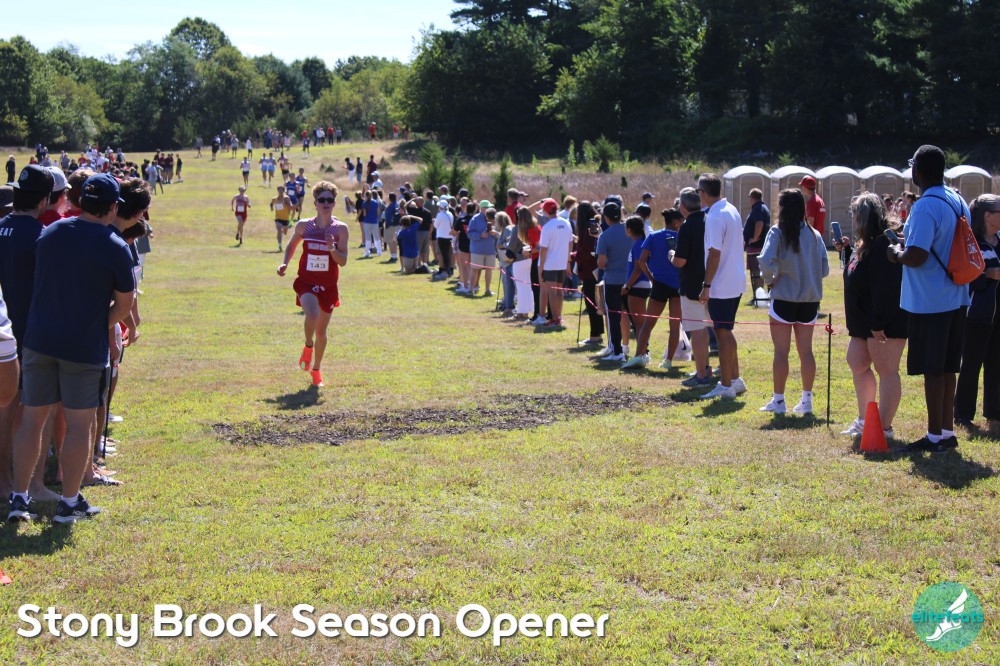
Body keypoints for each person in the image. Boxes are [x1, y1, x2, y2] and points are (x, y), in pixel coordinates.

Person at [8, 174, 135, 523]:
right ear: (113, 207)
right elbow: (124, 305)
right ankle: (68, 502)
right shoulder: (115, 245)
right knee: (79, 425)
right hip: (82, 346)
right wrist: (98, 323)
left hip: (39, 340)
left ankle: (19, 498)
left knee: (32, 420)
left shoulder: (50, 232)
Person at [889, 145, 973, 452]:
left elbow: (917, 255)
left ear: (917, 171)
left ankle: (935, 436)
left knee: (933, 369)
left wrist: (896, 254)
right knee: (949, 367)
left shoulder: (925, 205)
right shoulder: (956, 199)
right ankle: (946, 432)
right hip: (957, 294)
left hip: (930, 299)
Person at [838, 192, 907, 438]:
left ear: (865, 217)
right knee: (857, 362)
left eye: (856, 215)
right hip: (863, 321)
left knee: (887, 369)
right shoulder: (865, 243)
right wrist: (847, 251)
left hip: (884, 321)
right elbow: (859, 273)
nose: (853, 220)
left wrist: (879, 322)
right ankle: (865, 419)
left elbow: (886, 287)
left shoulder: (883, 244)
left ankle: (884, 428)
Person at [757, 189, 829, 415]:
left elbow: (765, 261)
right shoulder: (815, 235)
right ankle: (806, 401)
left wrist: (770, 280)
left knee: (781, 351)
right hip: (809, 301)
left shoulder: (777, 232)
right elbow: (825, 269)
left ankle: (779, 401)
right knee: (806, 352)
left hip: (784, 298)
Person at [276, 181, 349, 388]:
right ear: (315, 203)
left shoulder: (340, 229)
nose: (326, 203)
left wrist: (332, 248)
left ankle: (316, 370)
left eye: (329, 200)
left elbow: (343, 261)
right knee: (312, 315)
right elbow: (292, 244)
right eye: (321, 200)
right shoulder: (304, 226)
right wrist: (285, 263)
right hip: (306, 281)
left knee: (322, 333)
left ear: (334, 203)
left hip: (329, 285)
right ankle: (308, 346)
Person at [697, 174, 748, 399]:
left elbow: (714, 254)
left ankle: (726, 384)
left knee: (722, 333)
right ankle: (735, 380)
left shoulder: (715, 216)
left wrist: (706, 285)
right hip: (734, 280)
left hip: (722, 283)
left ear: (703, 193)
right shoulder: (731, 209)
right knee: (725, 330)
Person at [954, 194, 1000, 431]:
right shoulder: (972, 244)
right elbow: (963, 276)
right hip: (978, 316)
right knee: (971, 365)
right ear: (988, 216)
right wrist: (986, 276)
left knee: (996, 364)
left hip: (998, 316)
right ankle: (962, 414)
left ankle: (995, 413)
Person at [626, 209, 683, 369]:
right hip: (678, 285)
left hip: (659, 284)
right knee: (674, 325)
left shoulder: (653, 236)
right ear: (676, 222)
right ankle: (668, 361)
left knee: (648, 324)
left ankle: (639, 355)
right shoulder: (682, 237)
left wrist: (651, 278)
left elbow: (641, 261)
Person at [594, 200, 633, 361]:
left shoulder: (605, 236)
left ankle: (616, 351)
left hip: (613, 280)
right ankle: (642, 351)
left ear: (606, 217)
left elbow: (601, 263)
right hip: (631, 279)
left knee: (613, 317)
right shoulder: (630, 231)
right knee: (633, 316)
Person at [535, 201, 574, 327]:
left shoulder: (547, 227)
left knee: (552, 292)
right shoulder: (566, 223)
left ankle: (555, 318)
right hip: (561, 263)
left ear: (546, 211)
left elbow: (543, 249)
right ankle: (558, 317)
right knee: (559, 291)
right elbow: (570, 243)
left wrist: (540, 268)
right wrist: (568, 261)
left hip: (550, 264)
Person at [743, 188, 769, 300]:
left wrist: (754, 238)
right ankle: (758, 296)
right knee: (758, 272)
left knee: (757, 272)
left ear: (752, 197)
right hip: (759, 246)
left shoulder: (758, 208)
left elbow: (759, 223)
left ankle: (758, 297)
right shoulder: (762, 207)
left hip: (757, 247)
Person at [468, 201, 498, 296]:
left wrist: (495, 233)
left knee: (489, 270)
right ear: (482, 208)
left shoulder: (495, 218)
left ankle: (487, 290)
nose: (489, 209)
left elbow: (499, 233)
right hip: (477, 250)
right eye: (487, 207)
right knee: (475, 269)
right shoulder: (475, 219)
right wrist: (480, 235)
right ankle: (471, 290)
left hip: (490, 250)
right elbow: (469, 233)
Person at [433, 199, 455, 279]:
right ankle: (448, 270)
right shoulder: (450, 214)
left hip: (441, 236)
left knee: (443, 254)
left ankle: (445, 271)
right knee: (447, 254)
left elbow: (436, 226)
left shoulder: (440, 214)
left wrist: (434, 221)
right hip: (449, 236)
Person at [270, 185, 293, 251]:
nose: (280, 191)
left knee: (285, 232)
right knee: (279, 230)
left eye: (281, 190)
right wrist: (271, 208)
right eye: (279, 190)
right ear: (277, 191)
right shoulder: (274, 199)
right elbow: (271, 204)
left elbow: (291, 207)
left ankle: (281, 234)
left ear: (283, 191)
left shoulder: (286, 198)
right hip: (278, 218)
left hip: (285, 218)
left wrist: (285, 204)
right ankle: (280, 245)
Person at [360, 190, 382, 258]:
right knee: (377, 237)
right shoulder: (375, 202)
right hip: (374, 221)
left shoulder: (364, 203)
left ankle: (367, 252)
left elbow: (364, 214)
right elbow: (378, 212)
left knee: (368, 237)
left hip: (367, 221)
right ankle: (379, 252)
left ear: (366, 196)